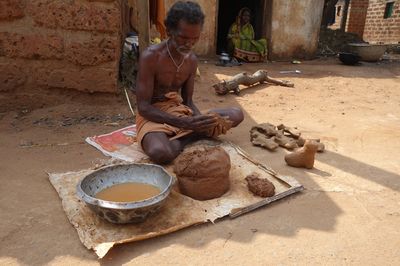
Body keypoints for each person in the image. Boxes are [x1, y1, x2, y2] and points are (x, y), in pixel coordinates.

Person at [135, 1, 244, 164]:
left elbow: (188, 102)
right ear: (170, 31)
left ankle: (186, 136)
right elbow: (143, 107)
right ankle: (190, 137)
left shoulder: (191, 60)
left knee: (236, 114)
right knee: (161, 153)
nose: (189, 44)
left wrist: (200, 121)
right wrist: (184, 123)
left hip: (179, 111)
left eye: (195, 39)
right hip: (153, 115)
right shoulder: (151, 57)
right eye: (183, 38)